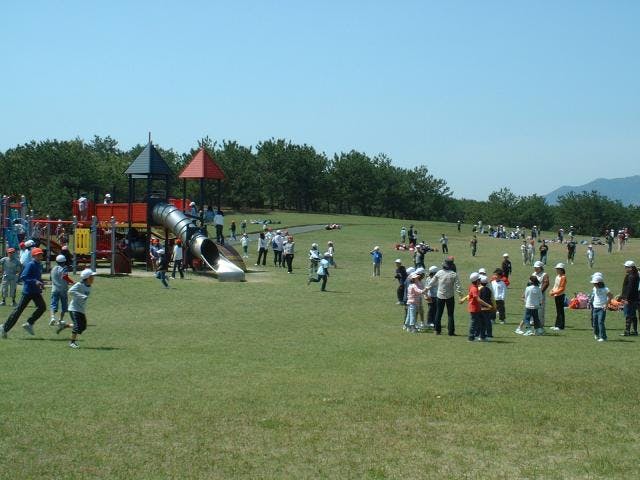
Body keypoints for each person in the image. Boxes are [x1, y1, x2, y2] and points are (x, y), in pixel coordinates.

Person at [1, 247, 46, 339]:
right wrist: (35, 281)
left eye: (41, 254)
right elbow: (24, 276)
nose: (40, 255)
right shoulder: (31, 264)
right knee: (18, 311)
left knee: (42, 307)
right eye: (38, 254)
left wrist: (41, 283)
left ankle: (29, 323)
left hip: (36, 291)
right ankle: (4, 328)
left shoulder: (39, 265)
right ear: (33, 256)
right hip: (28, 291)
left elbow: (37, 277)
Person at [56, 268, 97, 348]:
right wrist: (81, 296)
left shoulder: (89, 286)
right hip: (74, 308)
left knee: (83, 327)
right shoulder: (79, 284)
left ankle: (64, 326)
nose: (93, 279)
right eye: (92, 277)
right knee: (77, 326)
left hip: (81, 309)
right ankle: (72, 343)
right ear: (87, 278)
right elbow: (70, 291)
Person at [425, 257, 462, 336]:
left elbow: (431, 283)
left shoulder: (439, 272)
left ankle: (437, 330)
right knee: (450, 314)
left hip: (440, 296)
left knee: (438, 313)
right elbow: (458, 286)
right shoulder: (453, 274)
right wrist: (460, 296)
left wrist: (426, 289)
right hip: (450, 296)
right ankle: (451, 332)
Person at [459, 272, 492, 341]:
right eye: (479, 279)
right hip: (474, 309)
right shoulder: (474, 289)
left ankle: (482, 336)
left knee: (482, 321)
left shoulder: (474, 287)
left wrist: (463, 299)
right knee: (474, 323)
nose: (480, 280)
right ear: (477, 281)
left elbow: (470, 296)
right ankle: (471, 337)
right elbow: (478, 299)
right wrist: (488, 305)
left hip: (477, 308)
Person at [49, 254, 74, 326]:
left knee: (53, 304)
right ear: (64, 262)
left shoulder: (53, 269)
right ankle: (60, 320)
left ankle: (52, 318)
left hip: (54, 289)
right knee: (64, 306)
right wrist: (72, 282)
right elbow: (64, 276)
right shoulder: (64, 268)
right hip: (63, 289)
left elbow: (51, 278)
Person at [617, 260, 639, 336]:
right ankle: (635, 331)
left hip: (630, 299)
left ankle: (627, 331)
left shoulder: (631, 276)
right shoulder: (635, 275)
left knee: (628, 315)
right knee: (633, 315)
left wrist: (626, 299)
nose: (625, 268)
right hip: (634, 298)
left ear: (631, 268)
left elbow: (630, 288)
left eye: (626, 267)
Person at [590, 273, 613, 342]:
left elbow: (611, 296)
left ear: (599, 283)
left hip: (602, 308)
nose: (593, 284)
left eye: (595, 283)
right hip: (595, 307)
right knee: (595, 322)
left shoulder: (605, 289)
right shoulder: (594, 288)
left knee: (600, 322)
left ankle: (603, 337)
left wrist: (606, 305)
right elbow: (594, 296)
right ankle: (596, 334)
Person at [549, 263, 567, 331]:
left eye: (558, 269)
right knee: (558, 310)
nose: (557, 270)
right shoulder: (557, 276)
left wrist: (554, 293)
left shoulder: (563, 277)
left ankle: (561, 326)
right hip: (556, 295)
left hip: (560, 295)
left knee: (560, 310)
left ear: (562, 270)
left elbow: (562, 288)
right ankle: (557, 325)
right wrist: (552, 290)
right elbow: (555, 286)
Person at [532, 261, 549, 327]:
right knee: (532, 307)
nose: (536, 269)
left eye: (537, 268)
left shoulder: (544, 274)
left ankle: (540, 323)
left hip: (540, 294)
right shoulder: (533, 274)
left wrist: (540, 292)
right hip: (533, 294)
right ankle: (532, 321)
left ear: (541, 268)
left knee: (540, 309)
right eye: (535, 267)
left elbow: (546, 283)